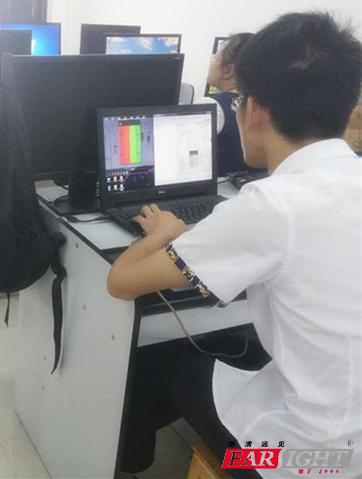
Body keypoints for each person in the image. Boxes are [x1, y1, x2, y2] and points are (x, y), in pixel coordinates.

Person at [108, 12, 362, 479]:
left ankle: (139, 468)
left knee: (157, 362)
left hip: (313, 461)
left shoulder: (271, 206)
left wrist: (162, 232)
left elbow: (121, 282)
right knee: (238, 343)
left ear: (254, 110)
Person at [207, 33, 254, 176]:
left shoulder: (212, 106)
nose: (211, 63)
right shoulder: (263, 107)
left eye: (215, 58)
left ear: (228, 71)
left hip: (219, 184)